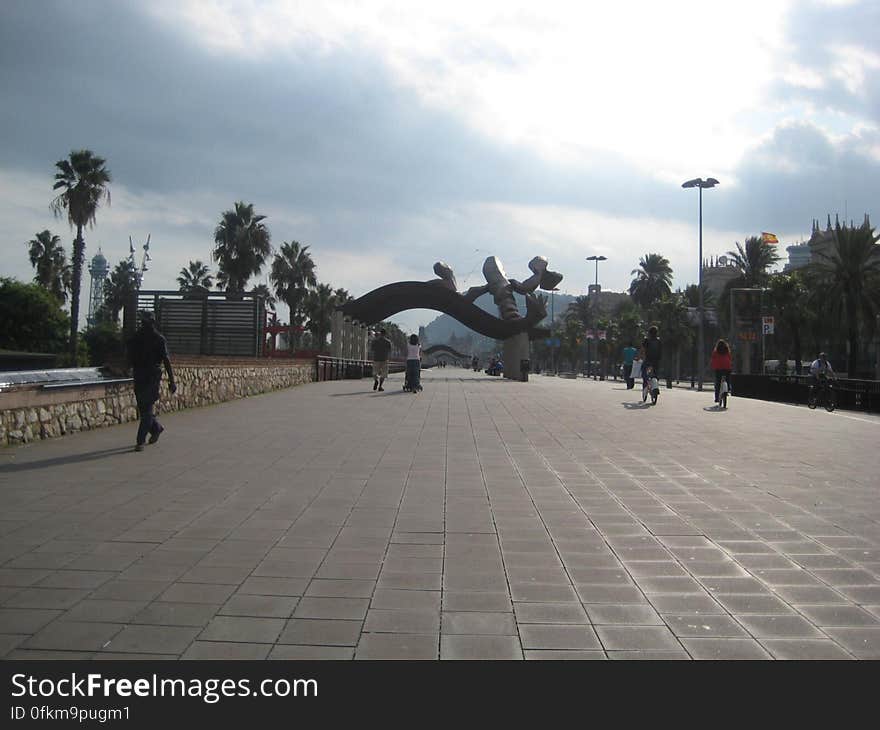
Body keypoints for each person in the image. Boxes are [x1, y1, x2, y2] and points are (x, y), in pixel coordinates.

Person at [127, 311, 176, 452]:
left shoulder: (159, 339)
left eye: (147, 323)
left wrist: (172, 381)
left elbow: (166, 360)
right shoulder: (136, 338)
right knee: (143, 409)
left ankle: (140, 441)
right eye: (143, 322)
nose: (144, 325)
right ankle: (156, 428)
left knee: (147, 407)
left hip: (152, 376)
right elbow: (129, 354)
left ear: (152, 323)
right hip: (139, 374)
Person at [710, 339, 733, 404]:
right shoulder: (727, 351)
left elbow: (713, 359)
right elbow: (730, 358)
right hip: (727, 367)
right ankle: (728, 389)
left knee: (718, 382)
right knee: (727, 379)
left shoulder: (716, 351)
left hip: (718, 368)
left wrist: (713, 366)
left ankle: (717, 398)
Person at [640, 326, 662, 392]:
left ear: (649, 333)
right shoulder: (659, 341)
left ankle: (646, 383)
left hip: (648, 360)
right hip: (657, 360)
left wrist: (639, 357)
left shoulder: (647, 340)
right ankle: (655, 384)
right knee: (656, 373)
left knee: (643, 370)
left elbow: (642, 350)